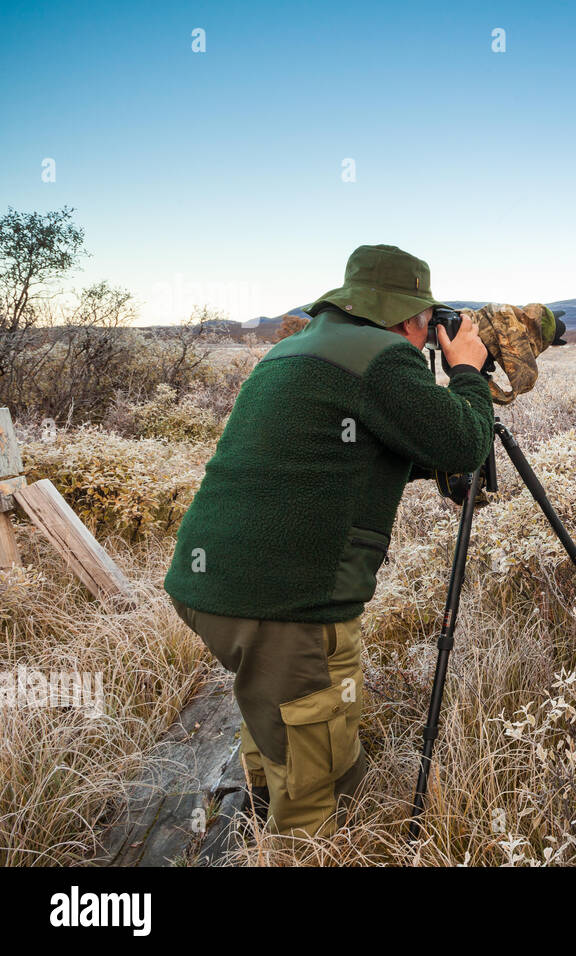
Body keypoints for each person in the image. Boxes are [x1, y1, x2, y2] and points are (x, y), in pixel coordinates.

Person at [164, 243, 494, 837]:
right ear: (409, 316)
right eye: (426, 322)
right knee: (322, 772)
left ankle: (261, 810)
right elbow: (463, 444)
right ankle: (300, 842)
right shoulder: (384, 358)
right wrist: (467, 371)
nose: (428, 336)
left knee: (279, 711)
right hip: (286, 605)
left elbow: (343, 451)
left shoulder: (293, 350)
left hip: (207, 587)